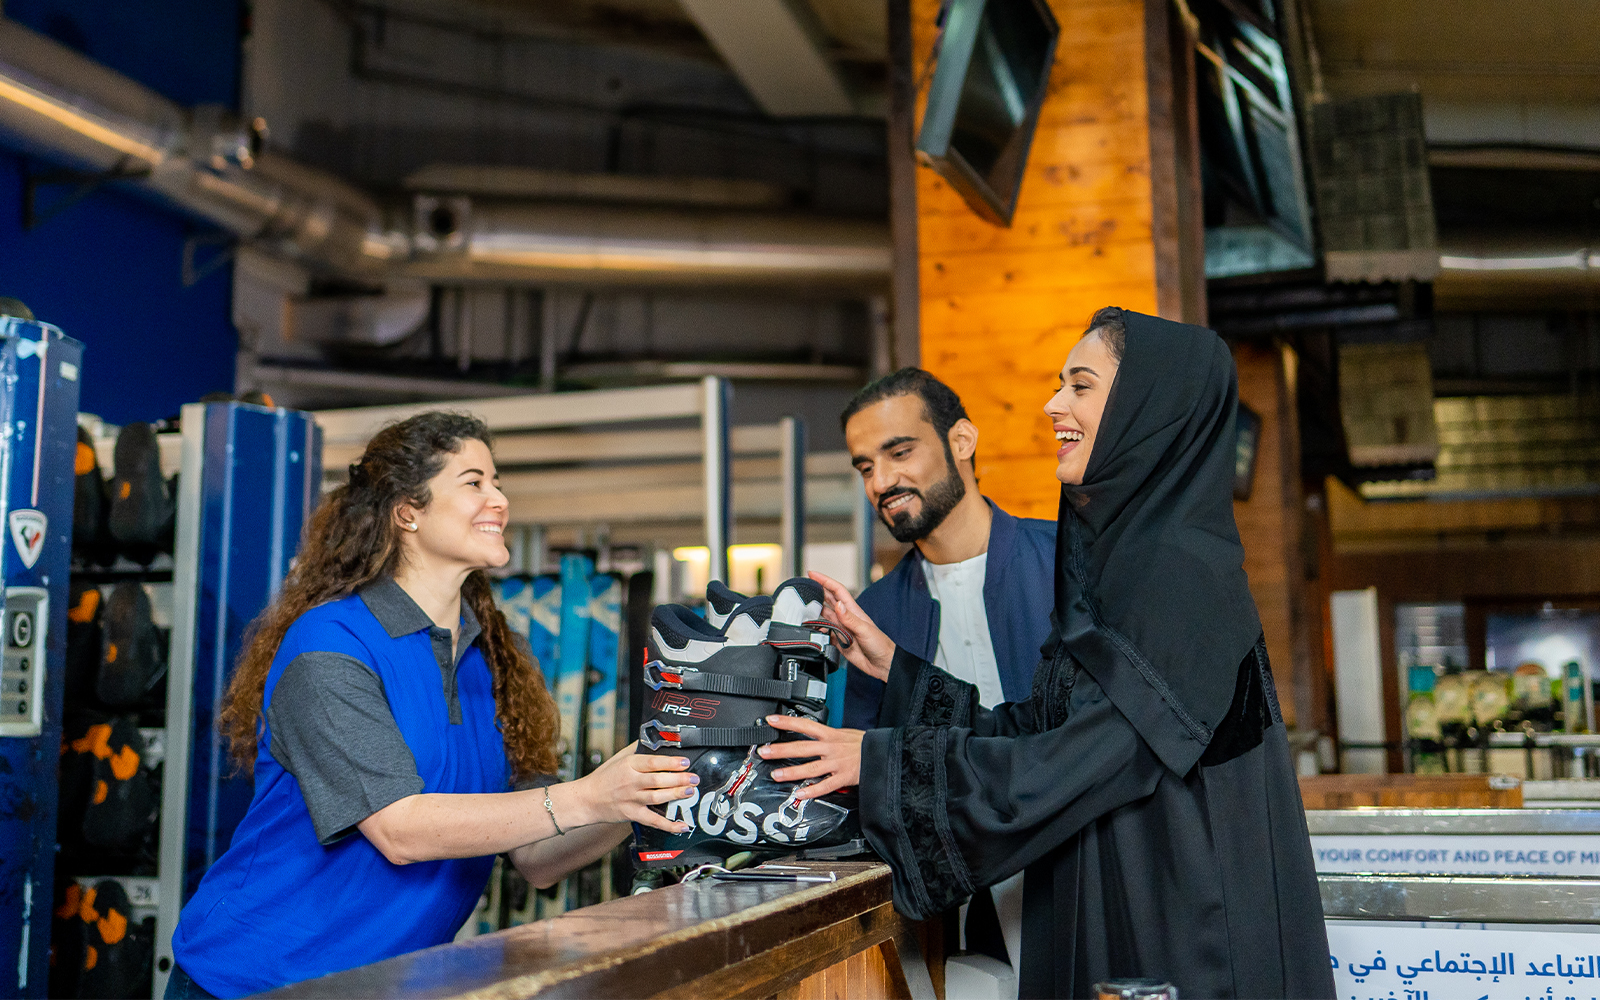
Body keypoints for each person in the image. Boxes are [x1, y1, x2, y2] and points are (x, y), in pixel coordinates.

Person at [763, 309, 1335, 999]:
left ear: (1147, 408)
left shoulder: (1180, 578)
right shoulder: (1126, 567)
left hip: (1183, 935)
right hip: (1121, 903)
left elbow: (1075, 763)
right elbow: (1046, 727)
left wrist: (878, 761)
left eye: (1081, 385)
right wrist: (899, 672)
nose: (1052, 404)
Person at [166, 412, 696, 999]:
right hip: (257, 980)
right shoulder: (332, 647)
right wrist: (589, 794)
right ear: (406, 511)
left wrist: (642, 787)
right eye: (474, 482)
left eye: (497, 482)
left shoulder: (497, 657)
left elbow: (538, 854)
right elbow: (401, 830)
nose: (498, 499)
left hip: (388, 985)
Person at [839, 368, 1055, 989]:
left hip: (1071, 879)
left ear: (962, 441)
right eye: (864, 468)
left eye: (899, 452)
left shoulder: (1068, 567)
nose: (882, 482)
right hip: (945, 916)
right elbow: (863, 771)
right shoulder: (873, 613)